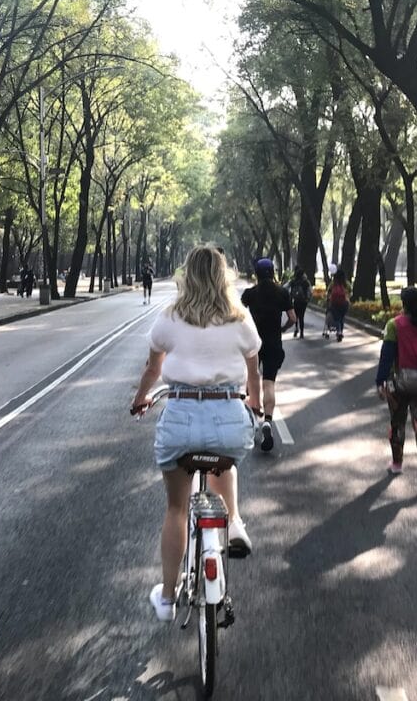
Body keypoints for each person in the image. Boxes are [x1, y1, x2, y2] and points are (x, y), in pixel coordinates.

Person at [130, 245, 262, 622]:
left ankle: (168, 598)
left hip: (181, 419)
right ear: (224, 276)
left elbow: (153, 370)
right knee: (225, 461)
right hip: (227, 419)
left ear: (186, 275)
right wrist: (253, 403)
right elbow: (253, 372)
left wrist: (140, 399)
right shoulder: (240, 318)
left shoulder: (170, 316)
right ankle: (234, 521)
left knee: (176, 508)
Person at [374, 287, 417, 494]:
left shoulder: (394, 325)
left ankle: (397, 464)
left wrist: (381, 382)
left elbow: (386, 357)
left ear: (403, 304)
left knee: (397, 424)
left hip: (399, 384)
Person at [241, 258, 295, 452]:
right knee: (269, 383)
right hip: (273, 343)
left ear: (256, 274)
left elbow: (238, 315)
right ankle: (268, 422)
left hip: (253, 344)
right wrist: (282, 328)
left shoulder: (249, 294)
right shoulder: (282, 293)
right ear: (273, 272)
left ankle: (252, 419)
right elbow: (292, 318)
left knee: (250, 382)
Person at [287, 266, 311, 338]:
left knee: (296, 316)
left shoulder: (293, 281)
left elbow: (285, 287)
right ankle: (302, 333)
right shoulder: (306, 282)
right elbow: (310, 291)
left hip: (295, 301)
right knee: (301, 317)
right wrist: (308, 298)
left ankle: (296, 329)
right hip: (303, 302)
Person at [326, 269, 350, 342]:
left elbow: (328, 292)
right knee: (341, 318)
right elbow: (350, 291)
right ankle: (340, 332)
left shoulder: (333, 283)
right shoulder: (346, 284)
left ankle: (339, 331)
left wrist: (328, 300)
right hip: (344, 303)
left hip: (334, 303)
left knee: (336, 318)